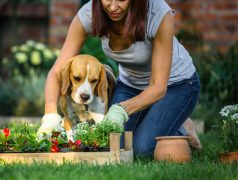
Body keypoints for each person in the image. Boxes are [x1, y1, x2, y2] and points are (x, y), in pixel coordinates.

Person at [37, 0, 202, 156]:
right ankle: (160, 118)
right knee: (113, 145)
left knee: (141, 149)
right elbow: (56, 72)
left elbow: (158, 87)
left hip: (176, 85)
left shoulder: (157, 13)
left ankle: (180, 126)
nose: (113, 7)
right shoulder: (89, 15)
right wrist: (50, 114)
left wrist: (121, 110)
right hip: (131, 86)